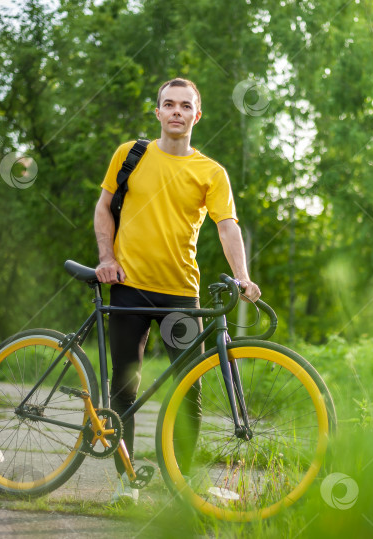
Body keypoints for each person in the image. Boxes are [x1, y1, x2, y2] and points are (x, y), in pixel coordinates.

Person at [93, 78, 260, 504]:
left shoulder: (210, 172)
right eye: (168, 104)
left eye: (185, 106)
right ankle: (125, 482)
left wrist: (241, 276)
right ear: (158, 112)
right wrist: (107, 258)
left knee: (189, 389)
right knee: (123, 387)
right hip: (127, 287)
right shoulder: (129, 155)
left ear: (196, 116)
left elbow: (227, 227)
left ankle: (183, 484)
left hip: (181, 294)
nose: (176, 112)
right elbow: (103, 207)